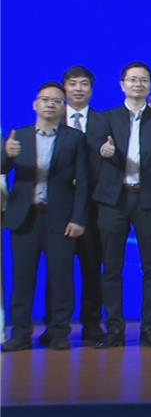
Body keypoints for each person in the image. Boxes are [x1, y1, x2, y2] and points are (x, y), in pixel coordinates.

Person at [93, 62, 151, 348]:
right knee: (111, 268)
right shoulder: (105, 118)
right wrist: (103, 151)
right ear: (122, 85)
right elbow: (92, 155)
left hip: (149, 200)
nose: (138, 84)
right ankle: (114, 330)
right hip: (113, 201)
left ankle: (150, 330)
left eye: (143, 80)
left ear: (150, 85)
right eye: (132, 79)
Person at [2, 82, 88, 352]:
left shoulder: (74, 138)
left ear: (63, 108)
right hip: (25, 218)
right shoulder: (19, 135)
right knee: (22, 279)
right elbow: (2, 169)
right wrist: (6, 156)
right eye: (45, 99)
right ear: (35, 104)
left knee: (61, 278)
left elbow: (83, 183)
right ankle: (20, 333)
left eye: (56, 101)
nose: (50, 104)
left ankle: (59, 332)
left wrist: (78, 218)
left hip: (60, 219)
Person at [60, 65, 105, 343]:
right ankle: (57, 326)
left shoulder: (104, 121)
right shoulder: (52, 118)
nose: (78, 89)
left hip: (94, 206)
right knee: (58, 269)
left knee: (92, 268)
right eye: (73, 83)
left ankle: (92, 324)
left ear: (91, 88)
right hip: (59, 206)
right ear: (65, 87)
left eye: (84, 83)